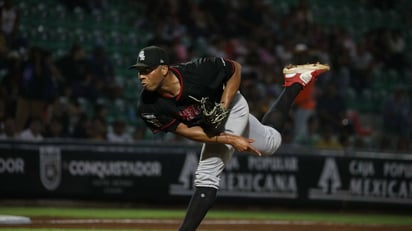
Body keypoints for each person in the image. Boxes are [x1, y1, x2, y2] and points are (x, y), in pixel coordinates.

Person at [129, 45, 329, 231]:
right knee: (271, 142)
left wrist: (223, 108)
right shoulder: (148, 106)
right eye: (139, 71)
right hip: (209, 126)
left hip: (232, 107)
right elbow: (187, 131)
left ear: (163, 69)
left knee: (207, 173)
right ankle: (295, 82)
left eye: (147, 70)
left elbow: (235, 69)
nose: (141, 76)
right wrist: (230, 139)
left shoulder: (197, 71)